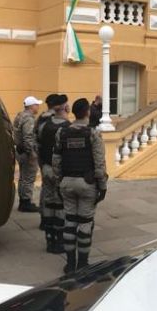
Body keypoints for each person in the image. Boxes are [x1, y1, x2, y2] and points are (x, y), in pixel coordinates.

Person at [52, 97, 107, 274]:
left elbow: (56, 160)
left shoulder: (62, 132)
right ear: (88, 113)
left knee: (70, 221)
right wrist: (103, 186)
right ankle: (82, 263)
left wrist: (59, 181)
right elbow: (99, 163)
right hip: (87, 183)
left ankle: (69, 263)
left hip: (66, 182)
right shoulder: (93, 133)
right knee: (84, 223)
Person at [36, 94, 69, 254]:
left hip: (46, 167)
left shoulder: (44, 124)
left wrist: (42, 165)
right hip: (61, 171)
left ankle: (49, 239)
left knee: (49, 202)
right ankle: (59, 240)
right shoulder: (67, 127)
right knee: (60, 204)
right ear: (65, 108)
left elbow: (38, 144)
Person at [13, 95, 43, 212]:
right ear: (31, 106)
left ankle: (23, 201)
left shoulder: (20, 116)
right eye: (37, 105)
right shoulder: (29, 119)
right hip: (27, 152)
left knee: (22, 177)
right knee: (29, 177)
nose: (38, 107)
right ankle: (26, 202)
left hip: (20, 151)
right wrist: (32, 153)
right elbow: (28, 137)